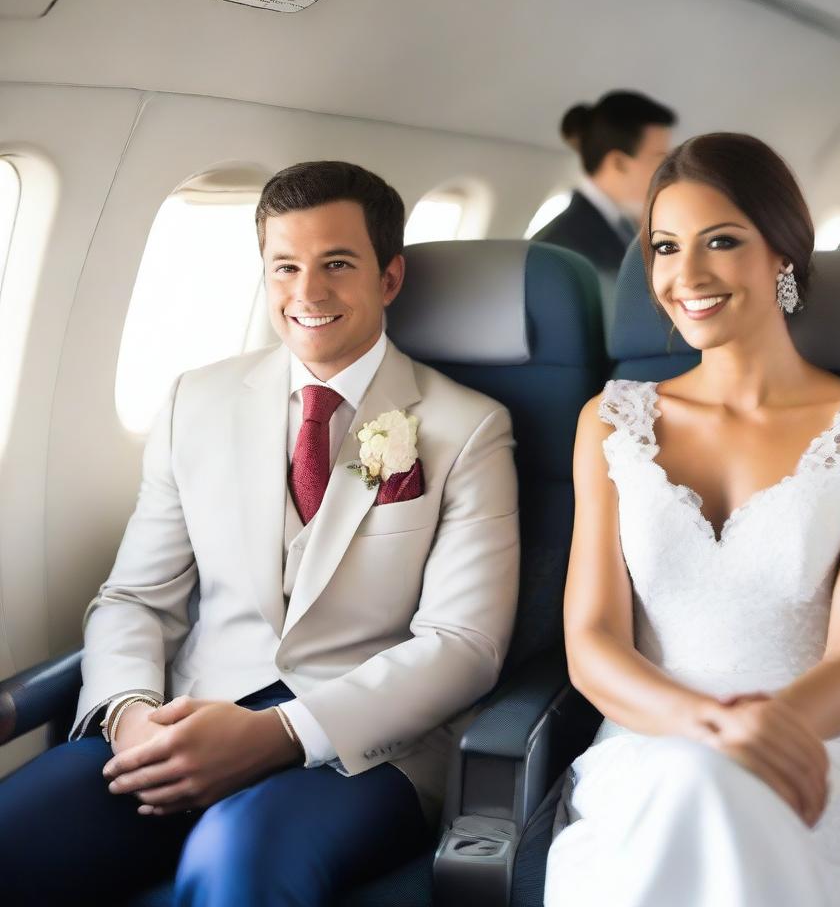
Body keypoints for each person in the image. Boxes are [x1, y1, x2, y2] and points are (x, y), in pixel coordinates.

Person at [0, 161, 519, 905]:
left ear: (389, 278)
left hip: (360, 755)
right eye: (286, 267)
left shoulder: (466, 427)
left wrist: (279, 734)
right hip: (181, 722)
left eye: (337, 264)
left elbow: (462, 646)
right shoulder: (195, 401)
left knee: (235, 857)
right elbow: (135, 599)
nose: (307, 294)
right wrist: (130, 715)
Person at [544, 134, 840, 906]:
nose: (686, 275)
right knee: (694, 796)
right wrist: (708, 729)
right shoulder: (611, 419)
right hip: (649, 746)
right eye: (666, 247)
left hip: (821, 741)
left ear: (783, 256)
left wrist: (760, 735)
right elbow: (592, 642)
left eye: (722, 241)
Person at [531, 91, 676, 320]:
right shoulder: (561, 246)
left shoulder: (626, 223)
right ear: (618, 163)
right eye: (660, 159)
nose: (668, 171)